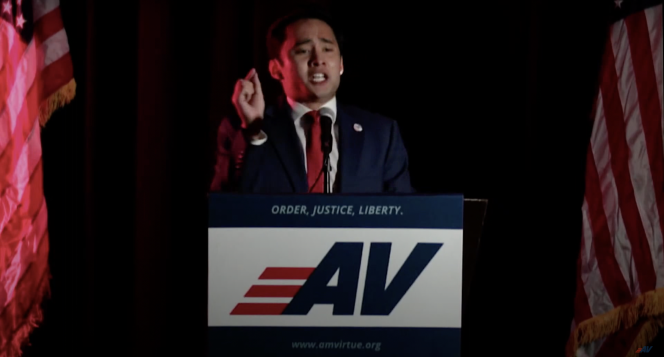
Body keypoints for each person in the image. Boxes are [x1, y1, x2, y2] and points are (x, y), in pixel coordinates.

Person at [211, 8, 413, 193]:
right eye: (303, 51)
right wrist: (253, 131)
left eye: (327, 49)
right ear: (275, 69)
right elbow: (226, 207)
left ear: (341, 64)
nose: (318, 59)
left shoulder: (381, 134)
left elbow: (404, 215)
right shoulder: (242, 130)